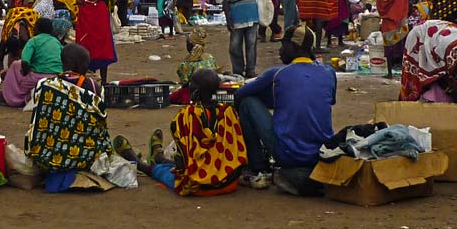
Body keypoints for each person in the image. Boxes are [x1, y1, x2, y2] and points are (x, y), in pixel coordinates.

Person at [113, 69, 247, 196]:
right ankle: (158, 158)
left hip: (199, 187)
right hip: (228, 182)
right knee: (202, 163)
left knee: (169, 173)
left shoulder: (188, 115)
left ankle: (142, 165)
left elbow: (182, 162)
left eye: (191, 85)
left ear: (196, 91)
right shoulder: (229, 112)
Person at [235, 25, 335, 195]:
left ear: (295, 47)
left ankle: (258, 167)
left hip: (289, 154)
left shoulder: (277, 73)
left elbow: (239, 94)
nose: (280, 51)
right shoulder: (328, 72)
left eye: (284, 46)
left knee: (247, 103)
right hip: (321, 152)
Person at [24, 43, 110, 187]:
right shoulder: (94, 87)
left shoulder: (44, 85)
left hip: (46, 156)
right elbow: (100, 123)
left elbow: (37, 121)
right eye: (86, 65)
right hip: (85, 156)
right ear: (79, 65)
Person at [399, 19, 457, 103]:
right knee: (413, 80)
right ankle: (405, 108)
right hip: (421, 36)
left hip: (440, 35)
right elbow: (444, 79)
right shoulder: (450, 51)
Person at [74, 0, 126, 83]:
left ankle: (104, 81)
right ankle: (88, 79)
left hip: (98, 15)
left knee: (100, 45)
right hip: (85, 15)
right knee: (85, 44)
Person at [0, 18, 63, 107]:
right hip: (56, 77)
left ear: (37, 29)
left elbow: (25, 62)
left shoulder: (33, 41)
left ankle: (14, 97)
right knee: (17, 65)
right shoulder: (56, 42)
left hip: (37, 78)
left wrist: (26, 73)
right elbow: (64, 57)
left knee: (15, 65)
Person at [219, 0, 263, 78]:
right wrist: (229, 20)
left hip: (252, 17)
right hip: (237, 19)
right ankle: (238, 71)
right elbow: (225, 2)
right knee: (235, 46)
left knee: (252, 45)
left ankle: (250, 70)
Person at [377, 0, 409, 78]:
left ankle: (390, 72)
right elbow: (405, 7)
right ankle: (403, 72)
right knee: (401, 48)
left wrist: (385, 14)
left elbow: (380, 6)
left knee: (388, 49)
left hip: (387, 22)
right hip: (400, 23)